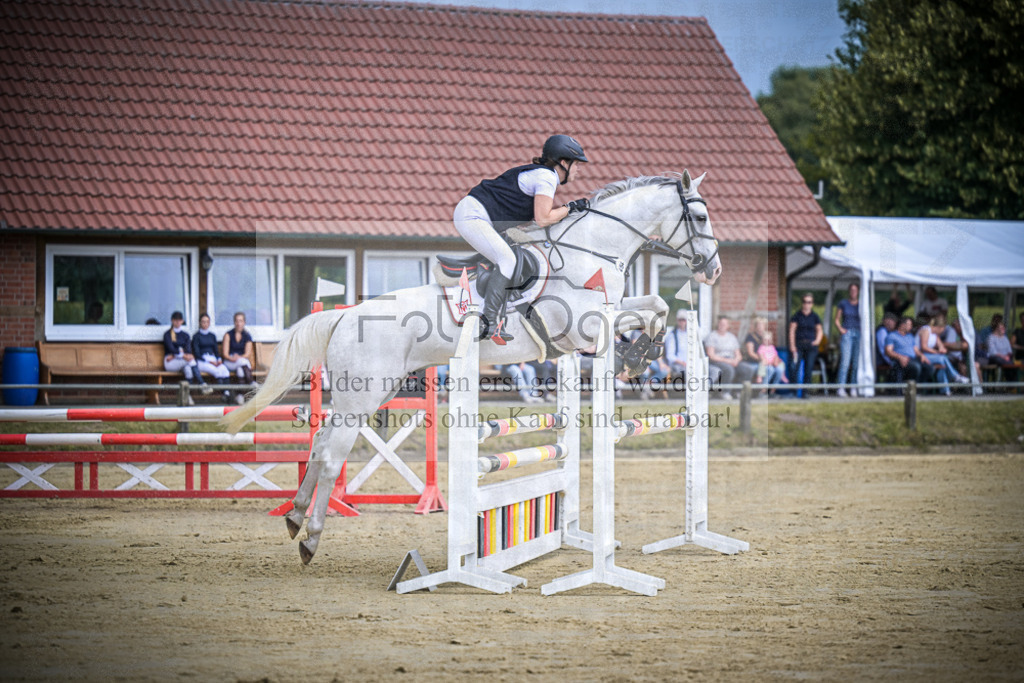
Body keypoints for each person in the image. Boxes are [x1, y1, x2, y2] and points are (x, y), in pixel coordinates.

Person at [454, 134, 589, 344]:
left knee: (517, 254)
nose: (579, 169)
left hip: (482, 217)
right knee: (508, 260)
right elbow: (543, 218)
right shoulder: (547, 177)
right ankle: (488, 321)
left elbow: (535, 222)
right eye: (577, 164)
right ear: (564, 163)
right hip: (473, 216)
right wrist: (569, 208)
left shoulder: (541, 174)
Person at [917, 316, 970, 395]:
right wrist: (937, 352)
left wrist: (942, 349)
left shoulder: (935, 335)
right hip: (920, 356)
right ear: (939, 327)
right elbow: (924, 347)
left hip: (930, 356)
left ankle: (945, 390)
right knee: (942, 358)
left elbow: (941, 345)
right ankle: (955, 376)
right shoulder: (926, 330)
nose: (943, 332)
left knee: (942, 365)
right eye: (943, 329)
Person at [705, 316, 750, 400]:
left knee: (747, 369)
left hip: (732, 360)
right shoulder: (712, 336)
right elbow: (711, 355)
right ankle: (725, 392)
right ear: (718, 324)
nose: (722, 326)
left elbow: (738, 354)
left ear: (728, 326)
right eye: (721, 323)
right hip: (717, 360)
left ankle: (739, 392)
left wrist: (736, 360)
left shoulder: (731, 337)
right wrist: (728, 361)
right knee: (729, 369)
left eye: (724, 324)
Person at [162, 311, 203, 401]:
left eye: (179, 320)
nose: (177, 322)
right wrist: (181, 354)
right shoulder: (168, 334)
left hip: (178, 360)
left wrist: (176, 355)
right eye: (175, 320)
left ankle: (188, 396)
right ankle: (202, 383)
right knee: (190, 360)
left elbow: (188, 350)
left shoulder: (185, 335)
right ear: (172, 321)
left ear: (182, 321)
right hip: (170, 362)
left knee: (188, 370)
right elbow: (171, 349)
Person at [192, 313, 232, 403]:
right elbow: (197, 353)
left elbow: (216, 350)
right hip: (202, 360)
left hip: (213, 358)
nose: (205, 324)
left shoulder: (212, 336)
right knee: (217, 371)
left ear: (209, 323)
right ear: (200, 323)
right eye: (203, 322)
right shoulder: (196, 336)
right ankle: (222, 393)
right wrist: (210, 362)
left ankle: (227, 393)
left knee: (224, 370)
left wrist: (218, 359)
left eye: (207, 322)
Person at [788, 293, 823, 393]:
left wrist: (817, 341)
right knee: (794, 367)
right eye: (805, 302)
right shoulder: (796, 316)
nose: (807, 304)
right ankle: (793, 392)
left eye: (809, 302)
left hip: (811, 346)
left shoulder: (815, 316)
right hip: (798, 345)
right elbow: (792, 331)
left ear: (812, 304)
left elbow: (819, 330)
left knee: (808, 369)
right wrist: (792, 345)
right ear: (802, 303)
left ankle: (805, 392)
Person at [833, 283, 861, 397]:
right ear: (849, 291)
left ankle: (853, 386)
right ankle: (841, 387)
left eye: (855, 290)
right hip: (847, 333)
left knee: (856, 362)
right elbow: (836, 319)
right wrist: (841, 329)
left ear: (858, 291)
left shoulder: (861, 303)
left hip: (858, 333)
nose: (853, 292)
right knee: (845, 361)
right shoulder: (843, 303)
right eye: (851, 290)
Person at [885, 316, 930, 386]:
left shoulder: (910, 336)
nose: (911, 327)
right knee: (916, 367)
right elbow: (888, 351)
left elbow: (916, 349)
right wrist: (900, 357)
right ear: (902, 325)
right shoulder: (892, 336)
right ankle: (910, 388)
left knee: (929, 367)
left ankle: (920, 387)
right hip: (900, 359)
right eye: (910, 325)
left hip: (913, 359)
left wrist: (921, 355)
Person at [222, 311, 256, 395]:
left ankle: (240, 395)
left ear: (244, 322)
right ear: (234, 322)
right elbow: (225, 354)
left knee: (240, 370)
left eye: (241, 321)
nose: (238, 323)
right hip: (229, 361)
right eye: (237, 321)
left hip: (241, 360)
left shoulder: (247, 336)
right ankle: (251, 382)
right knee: (243, 362)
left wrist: (239, 357)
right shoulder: (228, 335)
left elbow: (247, 354)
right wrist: (232, 358)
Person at [755, 330, 787, 396]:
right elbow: (761, 357)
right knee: (770, 370)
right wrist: (767, 361)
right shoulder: (761, 348)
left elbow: (775, 356)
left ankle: (773, 390)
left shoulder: (772, 347)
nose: (767, 341)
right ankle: (763, 390)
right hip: (766, 364)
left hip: (773, 363)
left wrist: (776, 361)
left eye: (768, 339)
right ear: (762, 340)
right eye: (765, 339)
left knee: (780, 369)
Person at [739, 317, 768, 383]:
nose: (760, 327)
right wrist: (761, 359)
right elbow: (750, 353)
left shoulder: (766, 336)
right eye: (758, 325)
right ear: (756, 326)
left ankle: (766, 390)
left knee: (774, 369)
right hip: (751, 361)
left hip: (764, 362)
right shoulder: (751, 336)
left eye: (762, 325)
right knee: (754, 369)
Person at [875, 312, 898, 381]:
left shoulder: (888, 332)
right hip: (880, 360)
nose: (893, 324)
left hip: (884, 359)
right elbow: (882, 350)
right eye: (891, 321)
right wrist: (890, 362)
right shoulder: (882, 331)